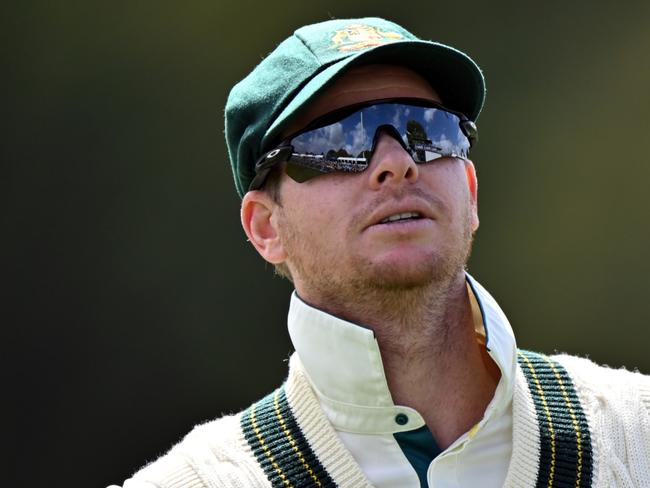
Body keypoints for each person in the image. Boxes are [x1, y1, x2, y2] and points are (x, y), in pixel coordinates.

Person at [113, 17, 650, 488]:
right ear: (265, 227)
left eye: (428, 130)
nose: (396, 161)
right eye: (340, 144)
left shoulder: (639, 433)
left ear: (471, 190)